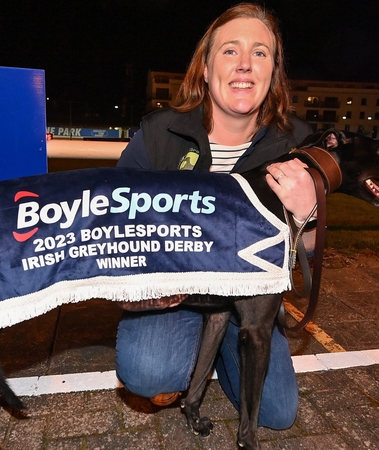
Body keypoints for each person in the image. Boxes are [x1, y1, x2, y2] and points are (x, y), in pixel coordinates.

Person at [115, 3, 315, 430]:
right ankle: (186, 353)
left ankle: (225, 345)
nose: (245, 64)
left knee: (278, 414)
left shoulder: (297, 143)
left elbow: (311, 253)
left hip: (251, 300)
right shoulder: (160, 135)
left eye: (260, 53)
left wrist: (307, 215)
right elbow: (114, 228)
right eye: (230, 51)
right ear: (204, 69)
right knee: (150, 373)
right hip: (177, 293)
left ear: (273, 72)